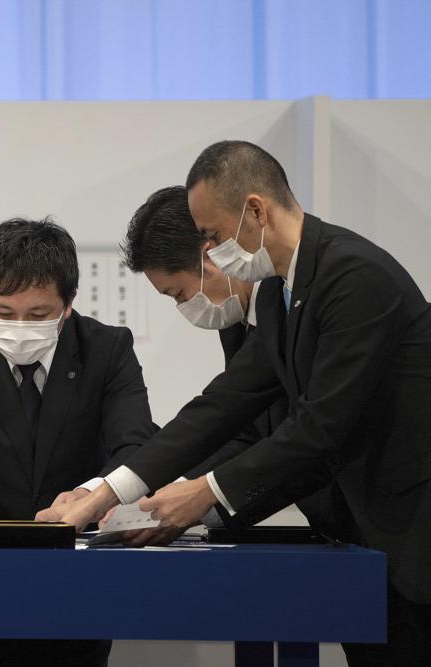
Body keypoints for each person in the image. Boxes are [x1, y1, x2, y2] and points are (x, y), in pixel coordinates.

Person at [39, 141, 431, 665]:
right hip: (366, 550)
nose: (211, 249)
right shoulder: (275, 294)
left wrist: (204, 493)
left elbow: (320, 428)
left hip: (414, 534)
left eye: (211, 236)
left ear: (254, 210)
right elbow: (224, 406)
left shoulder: (356, 276)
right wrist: (107, 492)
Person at [0, 217, 157, 667]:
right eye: (1, 312)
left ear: (68, 304)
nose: (19, 326)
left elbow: (135, 444)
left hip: (79, 572)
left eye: (39, 315)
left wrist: (89, 497)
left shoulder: (108, 349)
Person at [113, 184, 353, 541]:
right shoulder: (241, 321)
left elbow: (309, 435)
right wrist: (162, 497)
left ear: (209, 256)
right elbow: (237, 424)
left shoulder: (316, 295)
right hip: (337, 527)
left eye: (179, 293)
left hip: (376, 515)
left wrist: (200, 498)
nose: (183, 307)